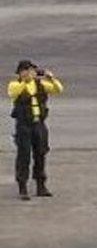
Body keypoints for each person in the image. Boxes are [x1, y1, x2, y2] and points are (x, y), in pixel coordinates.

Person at [8, 60, 63, 201]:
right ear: (19, 72)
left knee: (40, 153)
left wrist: (50, 77)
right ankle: (22, 186)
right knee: (23, 155)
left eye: (31, 70)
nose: (28, 72)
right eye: (25, 70)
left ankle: (41, 185)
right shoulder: (15, 84)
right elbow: (13, 93)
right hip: (23, 125)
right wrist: (24, 81)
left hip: (39, 124)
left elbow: (58, 89)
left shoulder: (41, 84)